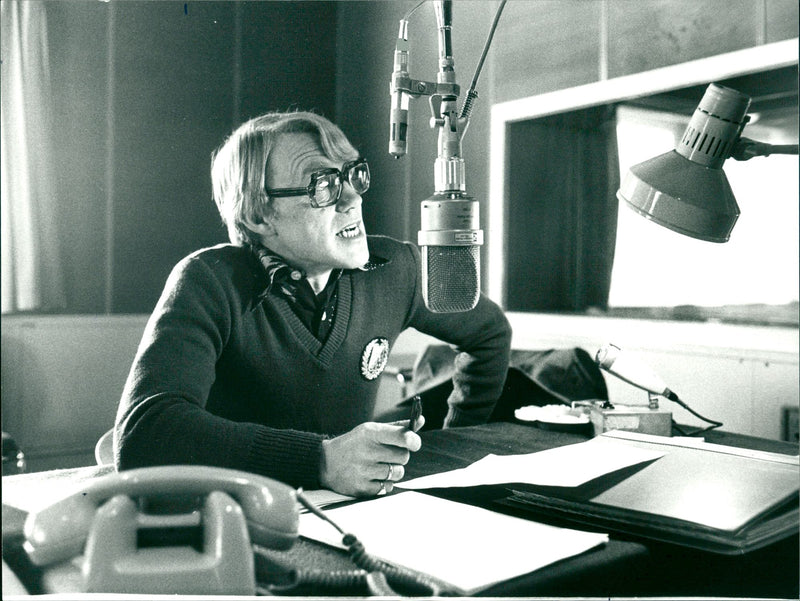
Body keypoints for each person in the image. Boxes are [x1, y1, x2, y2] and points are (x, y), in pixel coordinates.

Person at [114, 111, 511, 497]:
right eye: (323, 185)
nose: (352, 198)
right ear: (260, 216)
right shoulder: (209, 280)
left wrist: (453, 443)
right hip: (240, 513)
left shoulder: (396, 269)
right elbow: (144, 433)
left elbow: (489, 333)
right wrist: (319, 460)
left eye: (354, 175)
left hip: (351, 512)